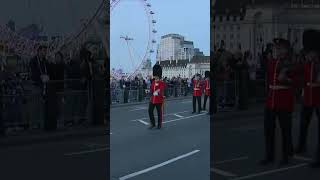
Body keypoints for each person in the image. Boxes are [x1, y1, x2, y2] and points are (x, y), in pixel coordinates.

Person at [260, 38, 295, 166]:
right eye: (275, 48)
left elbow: (296, 81)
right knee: (268, 130)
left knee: (285, 130)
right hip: (271, 100)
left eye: (280, 48)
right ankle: (269, 155)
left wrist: (286, 79)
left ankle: (286, 156)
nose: (277, 51)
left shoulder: (290, 64)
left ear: (286, 50)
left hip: (284, 100)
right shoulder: (272, 62)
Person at [295, 29, 320, 168]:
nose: (307, 55)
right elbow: (301, 74)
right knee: (303, 123)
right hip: (309, 97)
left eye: (309, 52)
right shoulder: (307, 63)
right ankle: (301, 145)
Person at [148, 64, 165, 129]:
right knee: (150, 111)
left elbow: (161, 89)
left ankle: (159, 124)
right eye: (155, 76)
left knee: (159, 112)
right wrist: (150, 93)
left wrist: (157, 92)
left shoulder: (161, 82)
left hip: (158, 99)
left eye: (156, 76)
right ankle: (153, 123)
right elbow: (151, 89)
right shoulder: (153, 82)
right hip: (152, 99)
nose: (155, 77)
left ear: (159, 76)